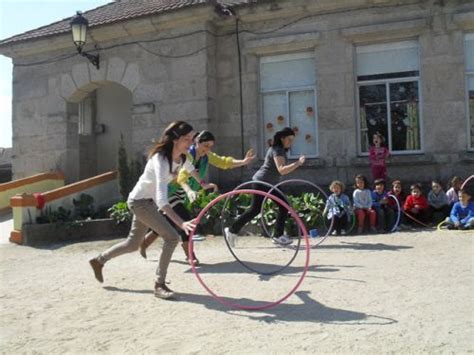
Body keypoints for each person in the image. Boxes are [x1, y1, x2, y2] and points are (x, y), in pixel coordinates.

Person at [88, 121, 198, 299]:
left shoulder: (182, 158)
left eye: (192, 138)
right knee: (172, 237)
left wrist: (203, 183)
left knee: (132, 244)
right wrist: (181, 222)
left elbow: (192, 169)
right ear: (175, 139)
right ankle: (159, 284)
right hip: (140, 202)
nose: (191, 142)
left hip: (147, 203)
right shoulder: (161, 160)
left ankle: (99, 260)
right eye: (187, 139)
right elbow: (162, 200)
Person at [139, 130, 256, 261]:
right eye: (206, 145)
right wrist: (189, 191)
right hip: (170, 191)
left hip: (182, 195)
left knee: (168, 223)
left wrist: (244, 161)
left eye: (210, 146)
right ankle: (190, 255)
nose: (208, 149)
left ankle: (144, 243)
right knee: (185, 220)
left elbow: (223, 162)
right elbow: (181, 178)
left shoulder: (207, 156)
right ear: (197, 143)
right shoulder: (187, 156)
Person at [224, 127, 305, 246]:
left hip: (271, 184)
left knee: (284, 206)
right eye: (289, 139)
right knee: (256, 209)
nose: (291, 142)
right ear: (282, 138)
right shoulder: (278, 150)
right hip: (262, 182)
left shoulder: (279, 149)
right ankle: (231, 230)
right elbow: (281, 170)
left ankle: (278, 236)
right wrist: (298, 163)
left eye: (292, 140)